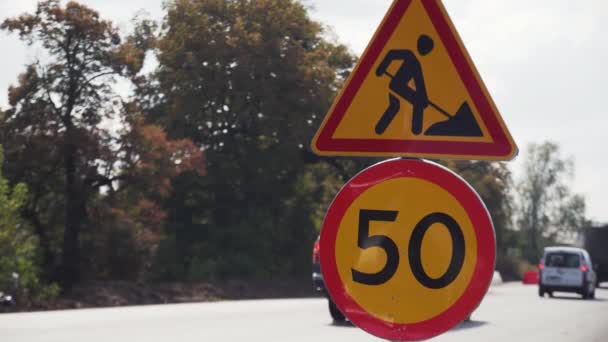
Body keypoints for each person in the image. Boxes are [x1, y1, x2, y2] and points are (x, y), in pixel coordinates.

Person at [375, 35, 434, 135]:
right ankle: (416, 131)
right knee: (405, 104)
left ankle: (379, 131)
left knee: (398, 106)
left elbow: (420, 84)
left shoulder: (416, 63)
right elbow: (391, 54)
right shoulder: (411, 57)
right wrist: (380, 69)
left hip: (398, 86)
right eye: (427, 49)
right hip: (396, 85)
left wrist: (424, 99)